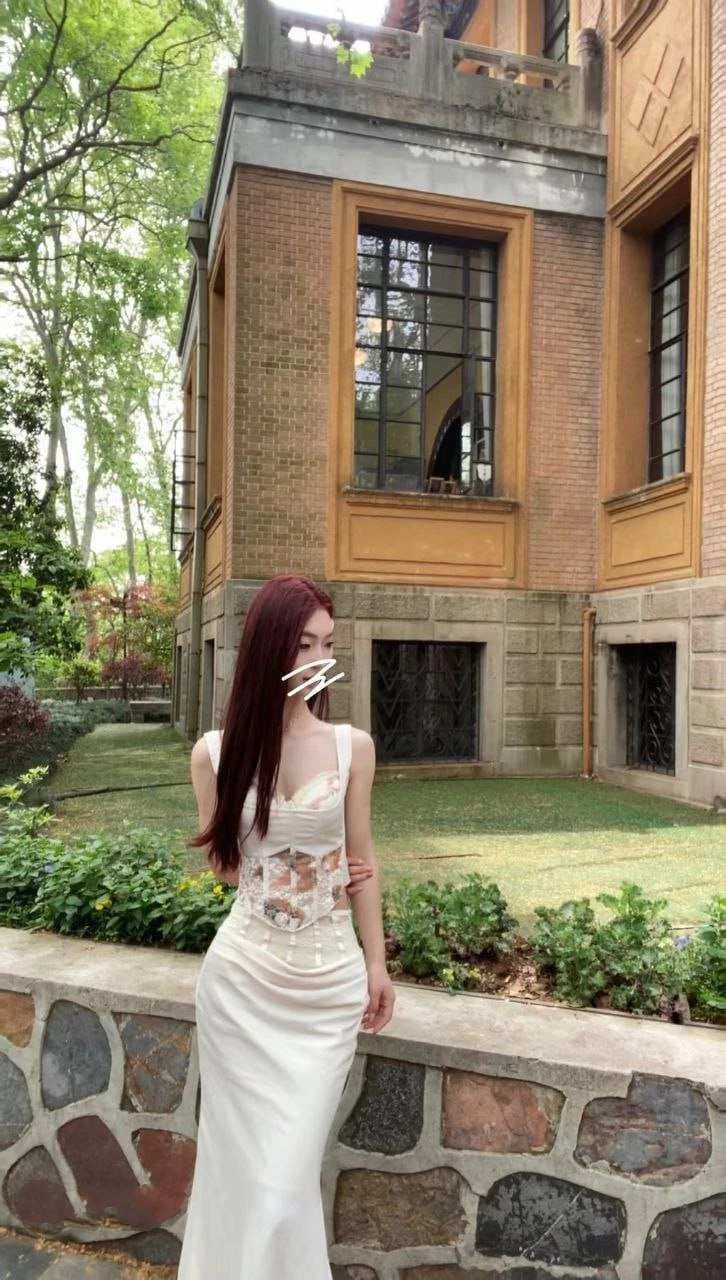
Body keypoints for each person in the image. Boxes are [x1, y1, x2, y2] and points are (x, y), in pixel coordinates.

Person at [177, 573, 395, 1279]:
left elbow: (363, 861)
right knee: (239, 1177)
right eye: (303, 644)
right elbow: (225, 869)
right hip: (241, 983)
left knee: (283, 1184)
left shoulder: (352, 747)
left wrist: (377, 963)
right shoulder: (214, 753)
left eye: (327, 645)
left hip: (326, 988)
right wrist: (288, 869)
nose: (318, 659)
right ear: (269, 647)